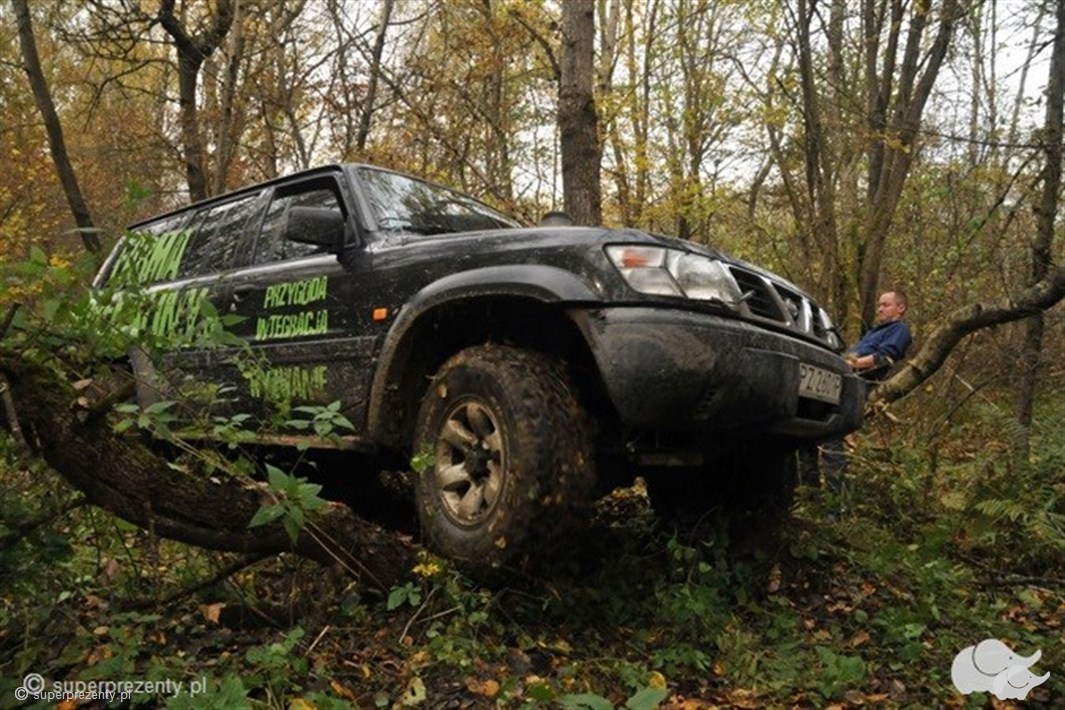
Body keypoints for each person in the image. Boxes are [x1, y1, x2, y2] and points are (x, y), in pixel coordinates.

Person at [803, 290, 912, 494]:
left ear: (901, 308)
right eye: (879, 305)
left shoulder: (899, 330)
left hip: (858, 384)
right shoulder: (874, 331)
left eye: (886, 305)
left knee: (831, 435)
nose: (880, 309)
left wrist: (849, 364)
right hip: (838, 379)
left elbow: (884, 359)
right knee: (807, 432)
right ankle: (809, 494)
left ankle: (838, 502)